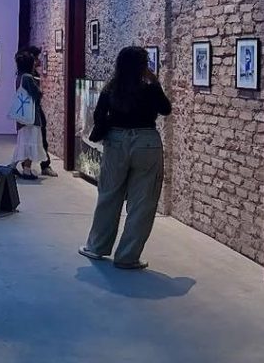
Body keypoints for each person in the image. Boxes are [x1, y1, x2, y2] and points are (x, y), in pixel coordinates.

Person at [79, 46, 172, 270]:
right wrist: (155, 81)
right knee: (143, 202)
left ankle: (96, 247)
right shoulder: (150, 88)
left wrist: (107, 130)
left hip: (117, 141)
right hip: (147, 143)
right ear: (143, 65)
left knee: (109, 195)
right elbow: (166, 109)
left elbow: (99, 115)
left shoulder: (112, 87)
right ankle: (127, 256)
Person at [17, 46, 56, 176]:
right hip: (31, 112)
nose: (38, 61)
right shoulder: (28, 76)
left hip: (28, 112)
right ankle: (27, 167)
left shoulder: (22, 75)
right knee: (31, 139)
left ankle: (29, 166)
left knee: (30, 139)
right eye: (36, 58)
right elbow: (37, 94)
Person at [12, 51, 47, 180]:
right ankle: (27, 170)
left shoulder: (19, 76)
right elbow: (37, 94)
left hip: (23, 116)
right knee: (30, 142)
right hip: (31, 117)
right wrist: (40, 88)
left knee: (24, 141)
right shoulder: (27, 77)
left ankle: (15, 166)